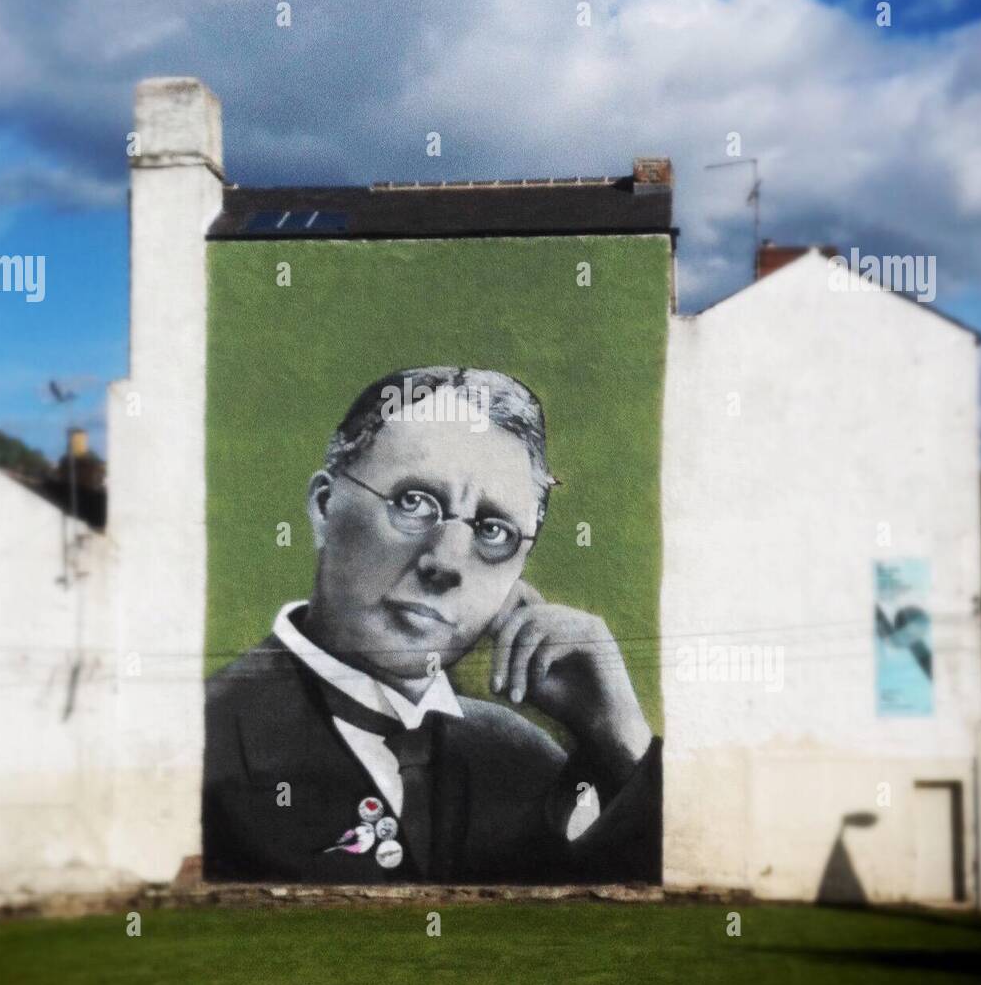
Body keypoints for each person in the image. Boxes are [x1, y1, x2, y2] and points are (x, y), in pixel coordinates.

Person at [202, 365, 661, 883]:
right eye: (413, 502)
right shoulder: (203, 742)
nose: (446, 563)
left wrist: (620, 739)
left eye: (494, 531)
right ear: (324, 506)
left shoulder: (521, 760)